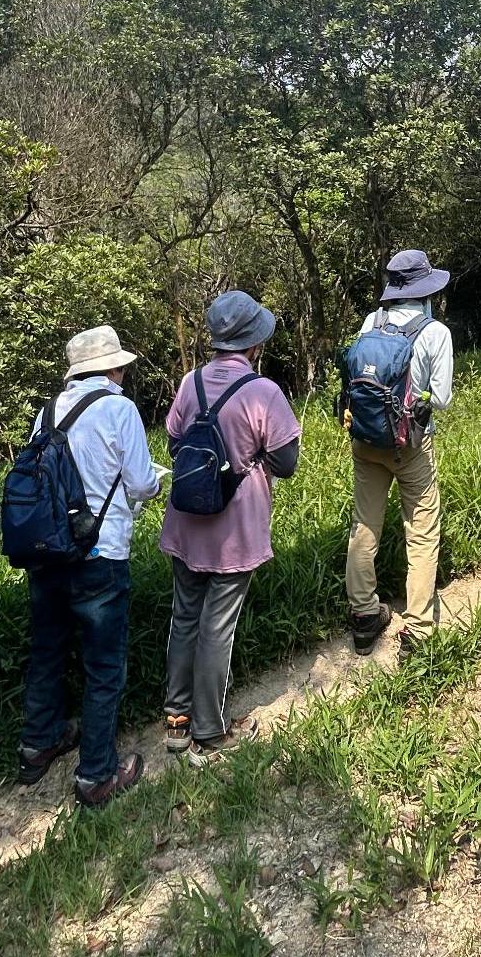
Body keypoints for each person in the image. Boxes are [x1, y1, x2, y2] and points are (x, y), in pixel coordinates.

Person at [19, 325, 161, 805]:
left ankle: (38, 745)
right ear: (113, 368)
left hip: (49, 552)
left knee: (48, 653)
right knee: (104, 666)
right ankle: (97, 775)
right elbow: (142, 485)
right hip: (100, 554)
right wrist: (154, 485)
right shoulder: (119, 408)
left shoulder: (49, 411)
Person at [161, 292, 301, 765]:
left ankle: (176, 721)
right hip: (234, 529)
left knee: (185, 618)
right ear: (253, 343)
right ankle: (209, 730)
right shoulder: (263, 392)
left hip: (186, 521)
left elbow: (175, 440)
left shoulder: (190, 382)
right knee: (217, 626)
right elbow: (286, 463)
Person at [345, 249, 455, 657]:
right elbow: (440, 398)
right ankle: (419, 629)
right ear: (426, 290)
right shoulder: (435, 332)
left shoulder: (370, 322)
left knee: (364, 526)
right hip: (410, 444)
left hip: (365, 439)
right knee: (422, 530)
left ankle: (363, 616)